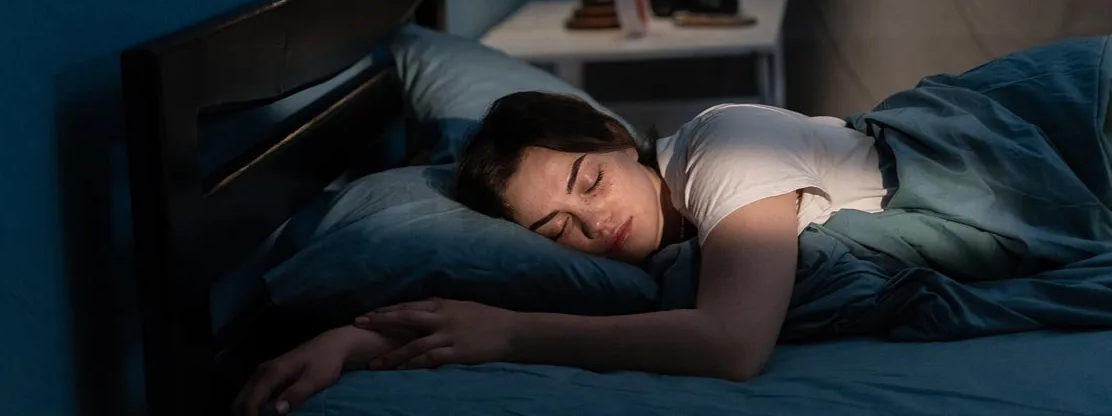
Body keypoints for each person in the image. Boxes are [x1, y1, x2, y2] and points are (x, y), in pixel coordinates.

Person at [234, 91, 890, 416]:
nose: (594, 223)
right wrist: (348, 343)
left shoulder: (722, 150)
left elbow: (732, 344)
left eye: (590, 182)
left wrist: (515, 336)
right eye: (556, 232)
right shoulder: (644, 262)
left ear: (613, 137)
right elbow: (472, 315)